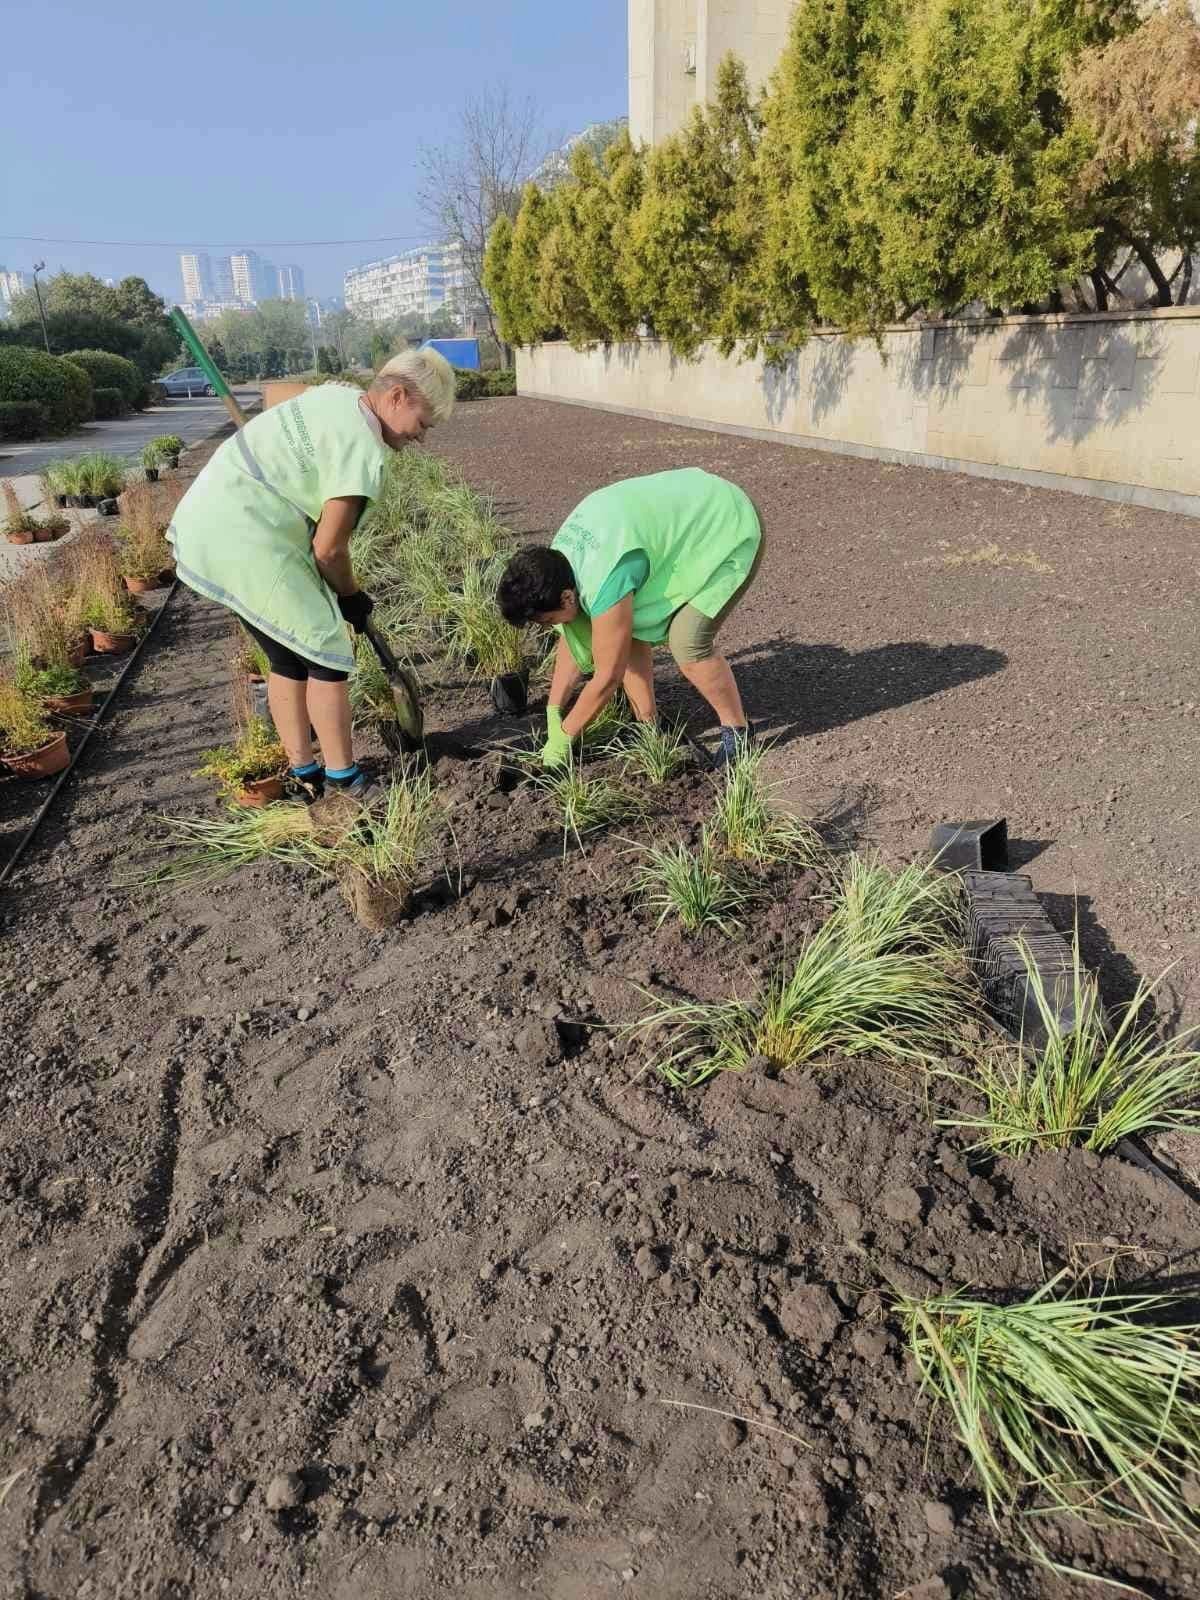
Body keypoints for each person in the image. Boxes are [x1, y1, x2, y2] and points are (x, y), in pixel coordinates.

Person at [168, 350, 456, 799]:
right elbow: (329, 548)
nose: (421, 438)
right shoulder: (363, 453)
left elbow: (283, 409)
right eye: (423, 424)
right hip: (249, 534)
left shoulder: (337, 396)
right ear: (397, 396)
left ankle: (304, 773)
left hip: (209, 521)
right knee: (327, 651)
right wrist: (351, 597)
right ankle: (344, 780)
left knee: (286, 658)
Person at [496, 468, 763, 768]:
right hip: (687, 510)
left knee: (688, 643)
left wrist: (565, 736)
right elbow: (574, 641)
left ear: (567, 598)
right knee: (625, 629)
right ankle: (650, 726)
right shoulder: (555, 566)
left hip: (726, 524)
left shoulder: (605, 578)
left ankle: (737, 731)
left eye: (545, 621)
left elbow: (608, 676)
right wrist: (554, 707)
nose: (550, 627)